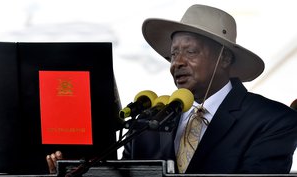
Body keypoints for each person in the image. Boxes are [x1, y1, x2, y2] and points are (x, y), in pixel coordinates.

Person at [47, 4, 297, 174]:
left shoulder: (273, 121)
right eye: (173, 54)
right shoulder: (146, 122)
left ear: (224, 58)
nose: (177, 63)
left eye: (190, 52)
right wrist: (71, 171)